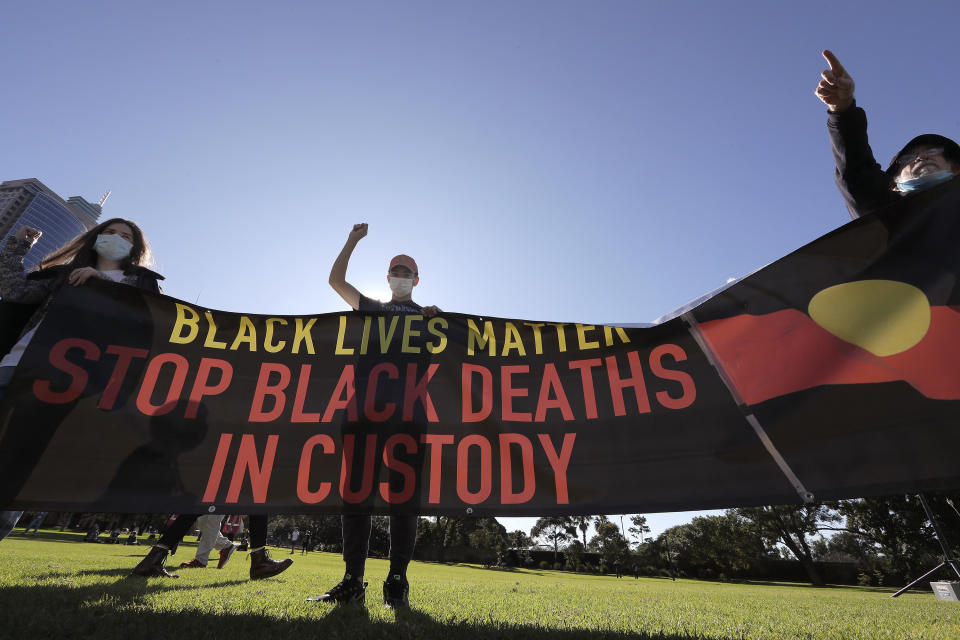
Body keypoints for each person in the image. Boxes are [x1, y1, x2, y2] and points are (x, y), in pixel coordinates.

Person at [0, 219, 163, 542]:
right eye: (109, 232)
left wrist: (102, 284)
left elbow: (147, 323)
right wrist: (18, 247)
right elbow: (12, 290)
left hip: (66, 382)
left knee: (19, 461)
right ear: (95, 238)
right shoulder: (62, 275)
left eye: (125, 236)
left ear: (135, 247)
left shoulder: (140, 284)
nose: (115, 239)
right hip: (15, 364)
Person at [312, 223, 439, 610]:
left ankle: (397, 581)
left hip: (409, 419)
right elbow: (336, 280)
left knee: (404, 500)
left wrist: (439, 322)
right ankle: (353, 580)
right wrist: (352, 241)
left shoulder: (430, 319)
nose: (400, 275)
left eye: (407, 271)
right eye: (395, 270)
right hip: (363, 414)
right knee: (357, 496)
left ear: (417, 279)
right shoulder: (372, 310)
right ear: (387, 277)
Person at [815, 50, 960, 219]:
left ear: (956, 169)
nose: (921, 157)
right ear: (894, 185)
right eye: (908, 159)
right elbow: (858, 175)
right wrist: (843, 109)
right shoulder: (888, 216)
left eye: (933, 151)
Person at [133, 513, 288, 579]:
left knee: (202, 512)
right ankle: (258, 562)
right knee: (259, 499)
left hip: (224, 462)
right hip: (231, 462)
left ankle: (153, 559)